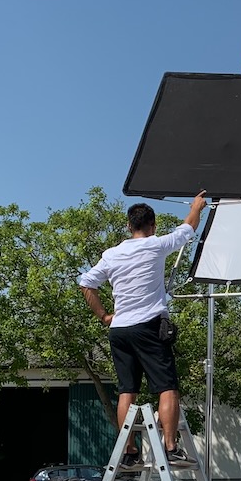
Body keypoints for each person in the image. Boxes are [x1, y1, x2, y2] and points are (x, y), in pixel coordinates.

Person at [78, 193, 208, 465]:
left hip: (120, 330)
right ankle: (170, 448)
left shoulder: (111, 255)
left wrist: (104, 316)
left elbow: (86, 284)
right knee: (167, 387)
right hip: (148, 327)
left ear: (128, 226)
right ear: (153, 225)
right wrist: (196, 207)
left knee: (127, 390)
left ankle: (128, 452)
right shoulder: (156, 245)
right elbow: (188, 228)